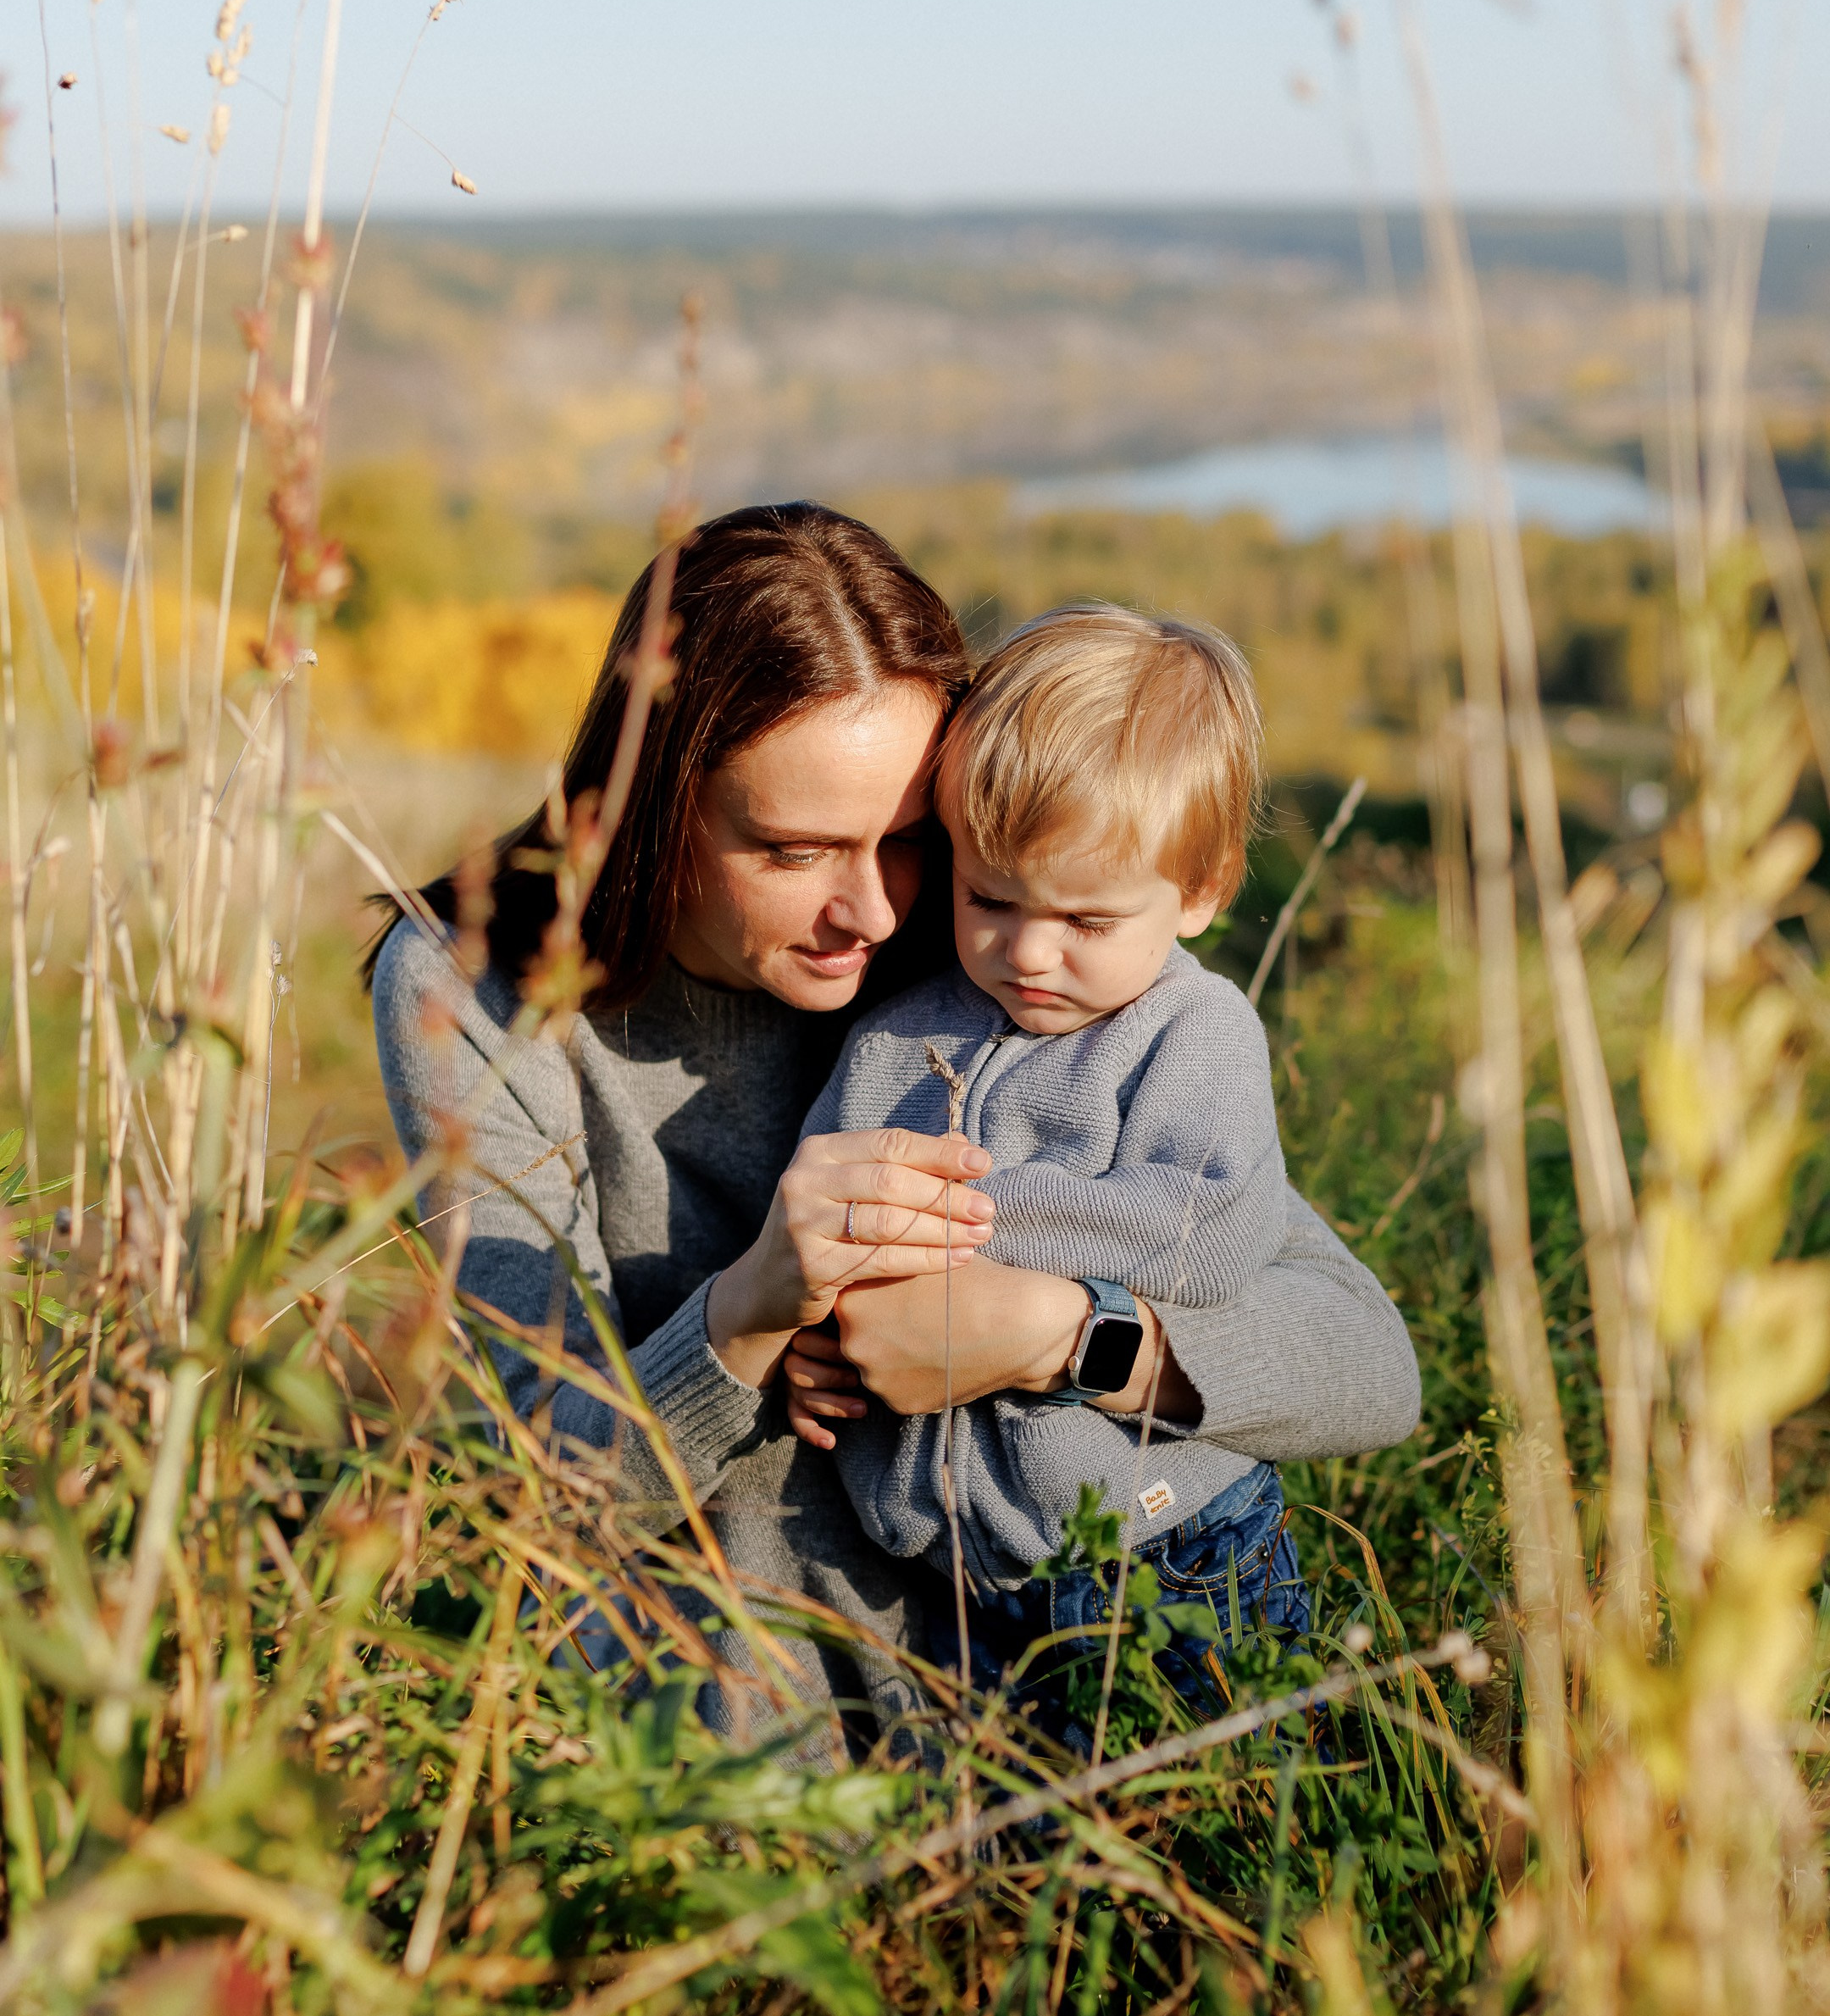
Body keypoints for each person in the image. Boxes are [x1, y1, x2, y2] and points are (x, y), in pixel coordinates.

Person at [370, 502, 1420, 1759]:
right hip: (730, 1740)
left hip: (1036, 1678)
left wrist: (1055, 1333)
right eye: (795, 849)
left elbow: (1364, 1362)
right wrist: (746, 1320)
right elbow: (537, 1494)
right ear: (655, 802)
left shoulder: (990, 950)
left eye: (910, 841)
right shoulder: (475, 989)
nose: (869, 911)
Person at [781, 603, 1307, 1734]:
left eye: (1086, 919)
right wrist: (806, 1346)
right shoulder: (892, 1038)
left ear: (1202, 892)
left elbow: (1208, 1231)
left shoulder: (1194, 1033)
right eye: (990, 899)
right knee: (1027, 1829)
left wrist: (942, 1227)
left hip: (1162, 1543)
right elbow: (819, 1217)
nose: (1027, 951)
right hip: (961, 1581)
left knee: (1208, 1800)